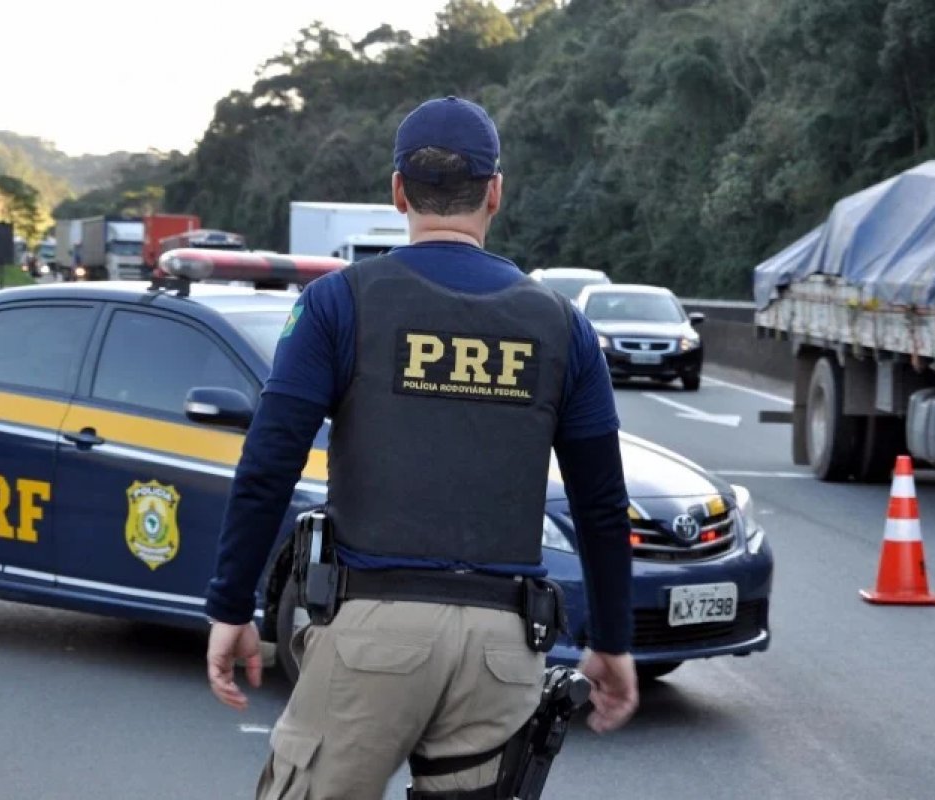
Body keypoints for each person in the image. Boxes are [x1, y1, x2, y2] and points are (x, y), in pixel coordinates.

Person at [204, 96, 639, 798]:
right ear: (495, 192)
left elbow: (269, 466)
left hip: (370, 634)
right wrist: (613, 641)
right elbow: (602, 504)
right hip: (503, 649)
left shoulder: (337, 304)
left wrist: (232, 607)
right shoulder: (562, 326)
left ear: (398, 190)